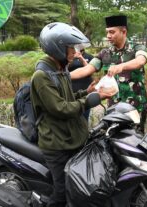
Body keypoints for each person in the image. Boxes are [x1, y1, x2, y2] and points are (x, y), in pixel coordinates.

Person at [31, 22, 112, 207]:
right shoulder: (42, 76)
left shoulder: (60, 69)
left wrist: (87, 92)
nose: (76, 53)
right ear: (58, 48)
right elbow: (61, 109)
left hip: (69, 138)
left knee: (76, 190)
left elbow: (68, 98)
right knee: (61, 194)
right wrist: (92, 99)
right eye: (72, 48)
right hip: (57, 144)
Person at [71, 15, 147, 134]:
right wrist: (63, 75)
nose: (108, 36)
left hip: (135, 106)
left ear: (124, 31)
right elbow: (87, 69)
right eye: (107, 32)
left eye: (112, 32)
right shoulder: (105, 53)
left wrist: (121, 66)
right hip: (114, 107)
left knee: (134, 140)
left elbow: (140, 61)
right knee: (112, 138)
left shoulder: (137, 48)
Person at [68, 49, 94, 120]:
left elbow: (90, 71)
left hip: (86, 91)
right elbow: (64, 70)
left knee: (85, 116)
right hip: (72, 92)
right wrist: (73, 57)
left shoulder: (90, 57)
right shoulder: (69, 56)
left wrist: (81, 58)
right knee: (72, 116)